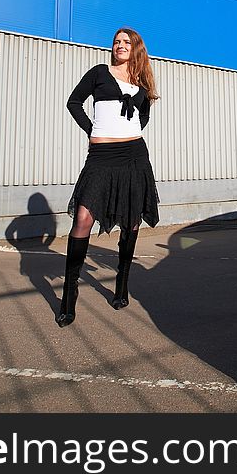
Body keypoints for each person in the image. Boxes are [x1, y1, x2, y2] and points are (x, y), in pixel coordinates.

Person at [56, 28, 161, 327]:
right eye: (116, 42)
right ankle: (69, 291)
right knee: (84, 218)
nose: (120, 45)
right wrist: (94, 131)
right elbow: (73, 102)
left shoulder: (142, 84)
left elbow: (144, 117)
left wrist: (129, 134)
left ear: (136, 48)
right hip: (101, 158)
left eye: (126, 42)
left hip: (134, 156)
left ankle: (122, 281)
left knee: (131, 220)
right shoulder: (99, 73)